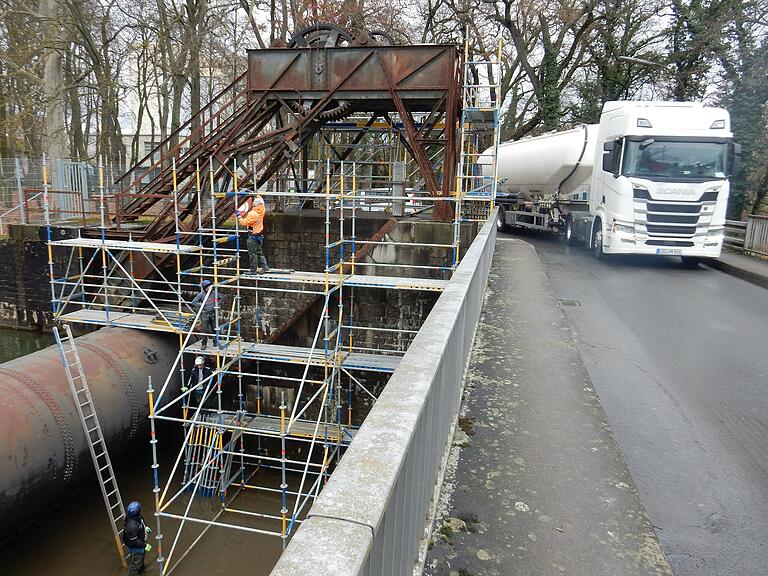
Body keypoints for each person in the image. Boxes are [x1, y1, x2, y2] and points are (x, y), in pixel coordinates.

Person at [235, 191, 270, 274]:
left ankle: (253, 270)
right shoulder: (262, 209)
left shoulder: (253, 214)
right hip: (259, 235)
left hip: (253, 237)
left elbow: (243, 223)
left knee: (253, 254)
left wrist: (239, 215)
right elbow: (261, 199)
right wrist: (254, 193)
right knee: (259, 252)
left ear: (255, 205)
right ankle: (265, 267)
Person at [123, 501, 150, 575]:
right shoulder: (132, 525)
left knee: (141, 559)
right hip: (136, 547)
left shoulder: (136, 518)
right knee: (136, 564)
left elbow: (141, 523)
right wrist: (144, 545)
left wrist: (145, 528)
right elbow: (134, 541)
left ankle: (142, 571)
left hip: (141, 543)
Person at [191, 279, 216, 349]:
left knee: (215, 328)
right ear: (205, 288)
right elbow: (193, 302)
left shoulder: (214, 293)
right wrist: (202, 305)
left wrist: (217, 304)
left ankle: (215, 342)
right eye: (207, 287)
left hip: (213, 314)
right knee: (204, 330)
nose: (209, 288)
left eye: (209, 286)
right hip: (205, 315)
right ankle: (204, 344)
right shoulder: (201, 295)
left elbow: (222, 298)